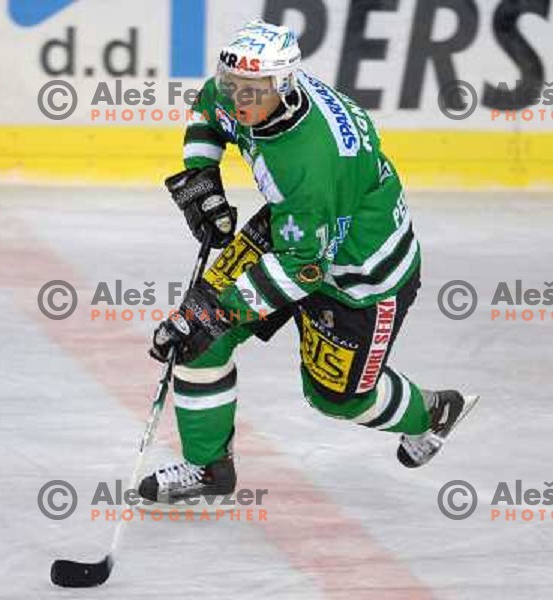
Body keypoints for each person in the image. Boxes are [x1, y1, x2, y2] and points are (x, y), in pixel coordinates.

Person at [138, 19, 478, 504]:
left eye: (253, 92)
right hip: (296, 234)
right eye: (234, 86)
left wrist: (224, 308)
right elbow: (208, 115)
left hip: (359, 277)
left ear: (285, 85)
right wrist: (201, 180)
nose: (239, 100)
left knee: (337, 399)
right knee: (198, 336)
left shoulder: (312, 161)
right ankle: (208, 468)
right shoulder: (241, 86)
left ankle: (433, 412)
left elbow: (304, 271)